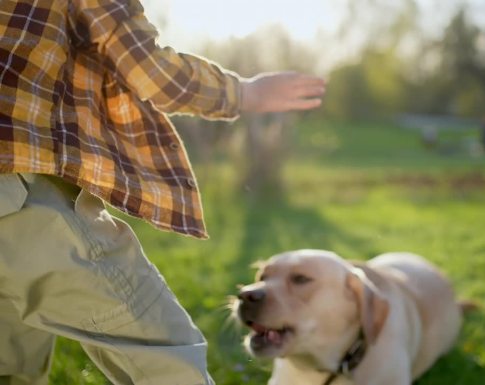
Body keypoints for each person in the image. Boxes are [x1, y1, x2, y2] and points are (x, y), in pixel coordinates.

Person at [0, 1, 325, 384]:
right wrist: (247, 93)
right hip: (17, 195)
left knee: (11, 362)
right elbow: (149, 71)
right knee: (164, 353)